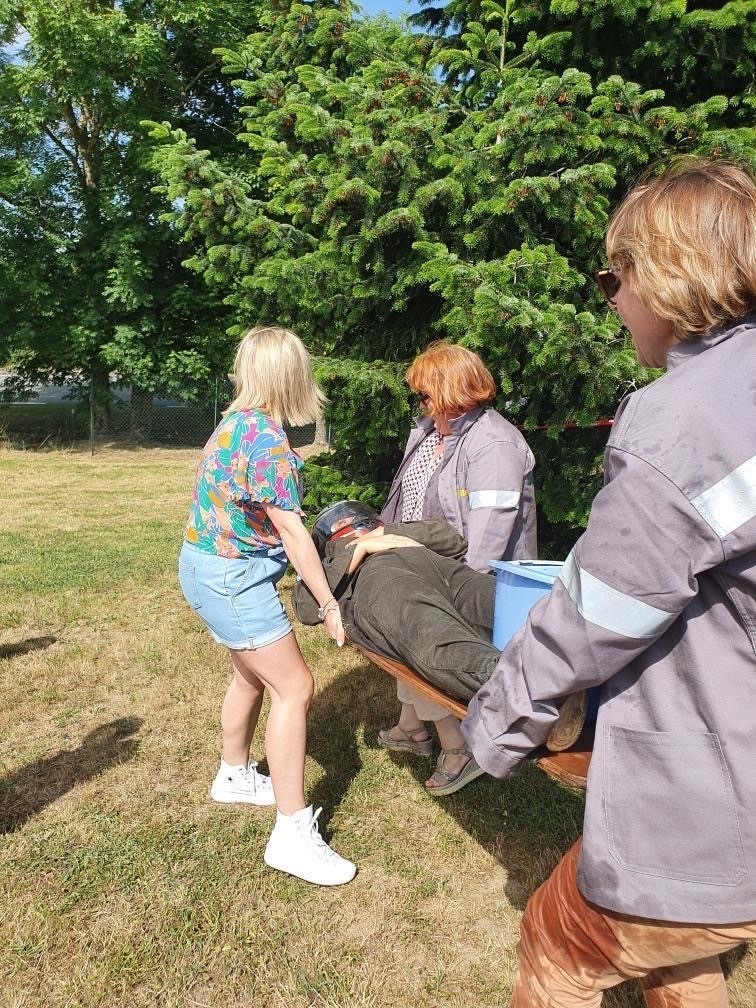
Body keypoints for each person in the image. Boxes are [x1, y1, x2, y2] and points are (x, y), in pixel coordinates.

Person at [461, 159, 756, 1005]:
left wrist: (498, 723)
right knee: (680, 952)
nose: (611, 299)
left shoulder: (686, 421)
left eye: (612, 276)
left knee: (558, 947)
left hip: (720, 791)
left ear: (665, 275)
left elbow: (602, 611)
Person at [178, 326, 356, 887]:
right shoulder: (267, 442)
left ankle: (234, 775)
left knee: (250, 676)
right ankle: (291, 833)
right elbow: (293, 533)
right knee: (294, 687)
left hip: (205, 566)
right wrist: (329, 604)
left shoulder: (236, 424)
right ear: (292, 375)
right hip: (233, 579)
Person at [292, 502, 585, 793]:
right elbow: (305, 607)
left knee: (501, 606)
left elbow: (453, 540)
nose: (348, 526)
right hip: (381, 579)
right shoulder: (328, 560)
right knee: (439, 642)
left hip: (440, 569)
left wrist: (381, 534)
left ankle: (585, 651)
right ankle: (535, 689)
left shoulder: (394, 531)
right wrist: (357, 551)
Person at [378, 341, 538, 794]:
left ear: (451, 389)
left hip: (465, 576)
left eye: (426, 393)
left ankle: (458, 746)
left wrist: (459, 588)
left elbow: (491, 532)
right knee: (397, 630)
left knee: (428, 648)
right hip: (421, 560)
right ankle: (412, 727)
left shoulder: (493, 443)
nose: (421, 403)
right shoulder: (431, 431)